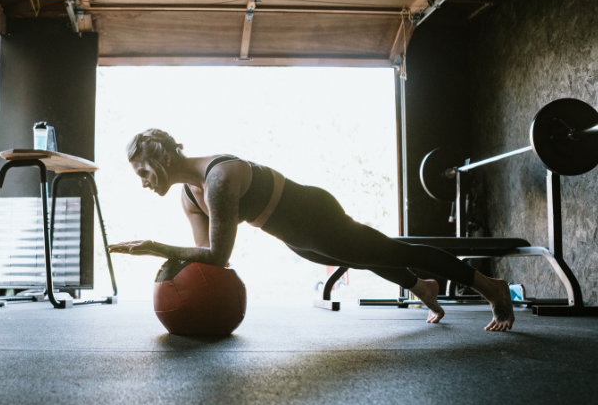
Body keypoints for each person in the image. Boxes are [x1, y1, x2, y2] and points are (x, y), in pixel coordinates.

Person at [108, 129, 515, 332]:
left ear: (161, 155)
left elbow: (214, 254)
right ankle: (421, 287)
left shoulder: (218, 179)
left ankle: (488, 285)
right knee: (363, 255)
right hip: (293, 235)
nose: (143, 180)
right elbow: (216, 258)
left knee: (389, 250)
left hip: (313, 214)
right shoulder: (189, 197)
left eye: (143, 170)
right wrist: (171, 253)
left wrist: (156, 247)